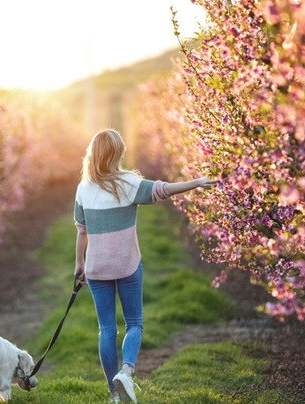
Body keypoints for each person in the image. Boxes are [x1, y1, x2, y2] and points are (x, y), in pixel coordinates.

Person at [73, 129, 217, 403]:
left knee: (106, 329)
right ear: (116, 154)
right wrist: (196, 182)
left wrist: (79, 265)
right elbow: (162, 190)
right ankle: (126, 372)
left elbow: (82, 231)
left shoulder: (83, 187)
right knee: (134, 323)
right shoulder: (127, 183)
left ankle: (113, 393)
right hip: (127, 264)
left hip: (95, 268)